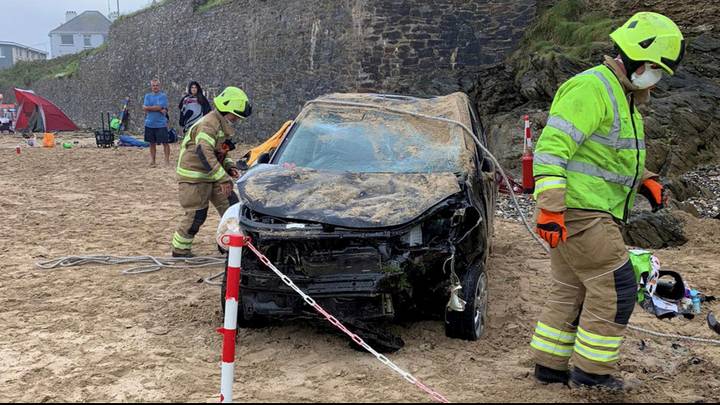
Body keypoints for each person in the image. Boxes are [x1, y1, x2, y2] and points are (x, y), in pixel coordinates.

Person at [529, 12, 684, 390]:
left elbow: (606, 155)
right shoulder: (592, 88)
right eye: (655, 69)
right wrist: (550, 207)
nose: (656, 78)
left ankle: (549, 367)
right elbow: (551, 151)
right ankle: (593, 374)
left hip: (579, 211)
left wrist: (644, 179)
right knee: (617, 287)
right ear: (638, 60)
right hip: (583, 212)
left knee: (572, 287)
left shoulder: (621, 94)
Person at [171, 86, 252, 257]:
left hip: (212, 175)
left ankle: (231, 244)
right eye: (235, 116)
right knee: (196, 215)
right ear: (227, 110)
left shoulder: (220, 124)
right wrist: (222, 178)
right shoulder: (208, 124)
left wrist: (229, 166)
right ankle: (180, 249)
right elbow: (204, 152)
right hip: (194, 178)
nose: (236, 119)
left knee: (233, 208)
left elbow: (220, 151)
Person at [142, 79, 170, 167]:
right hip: (149, 123)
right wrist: (158, 108)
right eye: (153, 85)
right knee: (151, 143)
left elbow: (159, 107)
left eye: (156, 85)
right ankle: (153, 161)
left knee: (165, 143)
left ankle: (166, 161)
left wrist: (149, 108)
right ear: (151, 86)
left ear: (159, 86)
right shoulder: (147, 96)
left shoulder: (163, 96)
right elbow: (156, 108)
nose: (155, 87)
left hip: (161, 123)